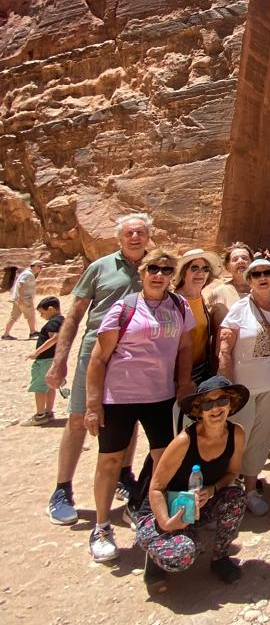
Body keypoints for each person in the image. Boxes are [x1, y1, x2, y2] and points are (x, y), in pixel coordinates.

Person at [84, 247, 195, 565]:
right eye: (153, 269)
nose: (159, 275)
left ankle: (160, 519)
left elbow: (185, 346)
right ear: (142, 273)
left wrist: (184, 382)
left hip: (160, 396)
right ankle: (102, 528)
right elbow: (99, 357)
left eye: (166, 270)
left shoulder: (179, 305)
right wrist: (93, 404)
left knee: (166, 461)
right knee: (110, 462)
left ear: (173, 275)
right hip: (120, 398)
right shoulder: (124, 308)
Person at [46, 213, 153, 525]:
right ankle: (62, 489)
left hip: (136, 356)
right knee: (79, 418)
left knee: (127, 418)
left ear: (148, 237)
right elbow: (75, 315)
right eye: (129, 233)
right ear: (119, 238)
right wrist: (59, 360)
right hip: (95, 353)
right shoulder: (99, 267)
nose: (135, 238)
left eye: (140, 233)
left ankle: (123, 475)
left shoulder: (155, 267)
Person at [137, 375, 247, 590]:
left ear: (231, 403)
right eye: (208, 404)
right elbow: (157, 487)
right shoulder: (184, 441)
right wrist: (166, 522)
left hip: (198, 505)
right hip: (167, 509)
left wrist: (212, 489)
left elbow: (232, 472)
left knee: (236, 496)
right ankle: (154, 557)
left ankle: (220, 558)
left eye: (222, 401)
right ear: (199, 410)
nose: (216, 409)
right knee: (184, 554)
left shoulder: (236, 434)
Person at [218, 257, 270, 516]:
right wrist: (227, 386)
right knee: (236, 439)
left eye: (267, 273)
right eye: (256, 274)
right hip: (243, 388)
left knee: (261, 439)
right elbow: (224, 350)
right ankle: (227, 492)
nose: (262, 277)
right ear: (249, 280)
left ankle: (250, 490)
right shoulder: (240, 309)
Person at [173, 249, 220, 386]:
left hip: (201, 371)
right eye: (194, 268)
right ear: (183, 273)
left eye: (205, 269)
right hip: (178, 376)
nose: (200, 272)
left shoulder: (201, 298)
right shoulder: (174, 302)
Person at [204, 242, 252, 357]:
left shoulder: (263, 291)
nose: (241, 261)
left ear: (251, 263)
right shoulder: (219, 293)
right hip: (226, 360)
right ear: (227, 267)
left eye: (245, 258)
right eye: (235, 259)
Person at [24, 296, 63, 424]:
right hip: (54, 358)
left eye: (42, 312)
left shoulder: (53, 322)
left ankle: (40, 415)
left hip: (45, 359)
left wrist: (37, 352)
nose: (41, 316)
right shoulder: (62, 320)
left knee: (39, 387)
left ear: (50, 309)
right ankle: (48, 412)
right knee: (50, 386)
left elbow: (54, 338)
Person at [2, 259, 43, 339]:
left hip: (18, 299)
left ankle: (6, 334)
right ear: (34, 266)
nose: (40, 269)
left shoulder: (26, 273)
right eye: (39, 266)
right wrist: (21, 298)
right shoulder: (28, 274)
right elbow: (21, 284)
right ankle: (33, 332)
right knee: (30, 315)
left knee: (13, 317)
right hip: (24, 298)